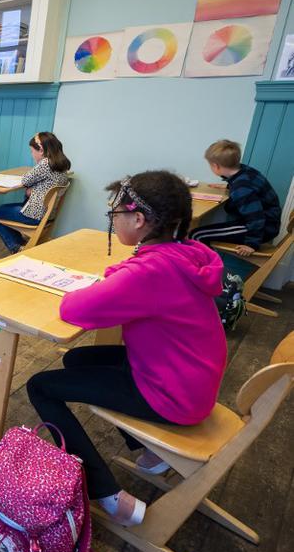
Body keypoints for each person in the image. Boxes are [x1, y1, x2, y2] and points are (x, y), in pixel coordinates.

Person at [26, 171, 226, 527]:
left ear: (138, 219)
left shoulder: (149, 272)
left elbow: (74, 310)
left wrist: (105, 284)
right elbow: (131, 273)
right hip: (191, 378)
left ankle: (107, 493)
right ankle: (150, 453)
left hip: (172, 395)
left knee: (40, 386)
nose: (113, 220)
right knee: (77, 359)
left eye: (114, 214)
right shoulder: (188, 252)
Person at [190, 139, 281, 256]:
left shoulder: (241, 188)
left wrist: (251, 243)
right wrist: (229, 186)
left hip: (263, 227)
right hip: (266, 221)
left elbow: (256, 217)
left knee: (197, 235)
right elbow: (249, 187)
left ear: (216, 166)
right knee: (200, 233)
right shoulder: (244, 171)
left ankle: (209, 268)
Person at [0, 131, 71, 254]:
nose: (32, 155)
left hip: (34, 215)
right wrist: (34, 190)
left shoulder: (45, 163)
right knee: (3, 208)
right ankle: (20, 244)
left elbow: (25, 180)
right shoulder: (62, 165)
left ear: (41, 150)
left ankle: (15, 247)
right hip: (48, 214)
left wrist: (32, 189)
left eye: (32, 151)